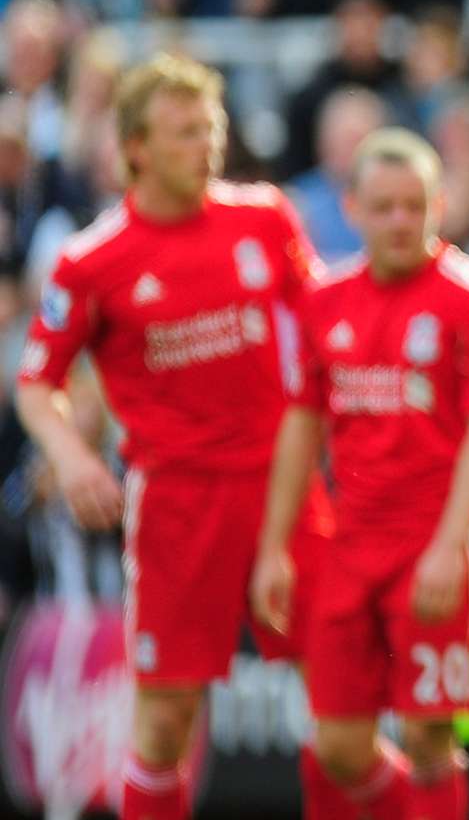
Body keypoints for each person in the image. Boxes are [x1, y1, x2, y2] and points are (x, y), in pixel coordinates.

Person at [12, 53, 332, 820]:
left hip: (283, 487)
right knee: (164, 724)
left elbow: (326, 325)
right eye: (185, 131)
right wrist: (73, 455)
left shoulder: (265, 217)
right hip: (178, 505)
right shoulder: (92, 262)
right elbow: (34, 382)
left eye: (211, 127)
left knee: (348, 702)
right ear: (135, 149)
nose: (206, 145)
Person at [251, 127, 469, 820]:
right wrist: (275, 545)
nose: (401, 221)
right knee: (339, 742)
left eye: (415, 205)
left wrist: (447, 545)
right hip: (353, 540)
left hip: (436, 537)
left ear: (439, 205)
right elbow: (300, 423)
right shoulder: (326, 302)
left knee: (429, 730)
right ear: (352, 209)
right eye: (385, 206)